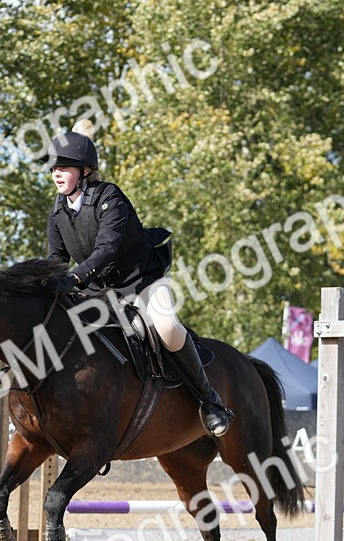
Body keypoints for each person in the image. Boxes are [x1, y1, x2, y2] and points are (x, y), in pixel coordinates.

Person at [44, 127, 233, 437]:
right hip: (98, 293)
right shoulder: (58, 211)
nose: (56, 173)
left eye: (64, 166)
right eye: (54, 167)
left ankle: (209, 400)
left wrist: (75, 277)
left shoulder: (110, 197)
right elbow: (56, 259)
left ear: (85, 169)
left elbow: (107, 249)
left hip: (141, 283)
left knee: (168, 328)